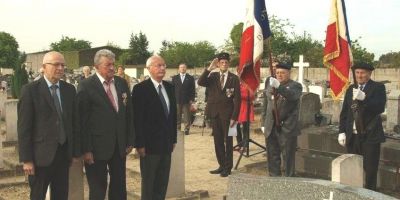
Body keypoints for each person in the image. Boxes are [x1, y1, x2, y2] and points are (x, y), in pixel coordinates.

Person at [17, 51, 79, 200]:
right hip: (40, 157)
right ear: (44, 67)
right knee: (38, 195)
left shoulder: (69, 90)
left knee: (61, 195)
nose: (60, 68)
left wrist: (75, 151)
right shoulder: (30, 90)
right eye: (56, 64)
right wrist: (27, 159)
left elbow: (73, 123)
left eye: (63, 65)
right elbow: (24, 128)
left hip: (63, 155)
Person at [76, 49, 134, 200]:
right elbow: (83, 121)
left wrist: (129, 139)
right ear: (96, 66)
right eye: (108, 65)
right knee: (98, 189)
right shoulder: (86, 86)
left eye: (113, 64)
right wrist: (86, 149)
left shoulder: (121, 83)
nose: (112, 68)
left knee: (119, 187)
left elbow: (128, 114)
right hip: (96, 148)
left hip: (119, 145)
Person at [132, 55, 177, 200]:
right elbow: (137, 119)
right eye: (158, 65)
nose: (162, 68)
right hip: (149, 147)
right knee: (149, 183)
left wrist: (173, 138)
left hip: (166, 144)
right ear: (148, 68)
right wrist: (139, 144)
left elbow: (173, 116)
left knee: (162, 182)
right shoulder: (140, 89)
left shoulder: (169, 87)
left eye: (164, 65)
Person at [338, 62, 386, 191]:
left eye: (363, 73)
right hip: (352, 136)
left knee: (370, 170)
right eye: (357, 72)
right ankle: (354, 193)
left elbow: (379, 107)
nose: (359, 75)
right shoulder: (350, 89)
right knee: (352, 167)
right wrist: (341, 131)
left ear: (369, 74)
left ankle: (370, 195)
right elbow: (345, 113)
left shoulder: (378, 87)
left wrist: (365, 99)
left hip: (370, 135)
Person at [197, 52, 241, 177]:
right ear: (218, 64)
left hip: (229, 116)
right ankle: (221, 165)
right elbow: (200, 82)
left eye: (226, 62)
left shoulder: (234, 78)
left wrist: (235, 117)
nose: (224, 64)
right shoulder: (213, 76)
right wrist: (209, 68)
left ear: (228, 64)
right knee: (218, 142)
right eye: (222, 62)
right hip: (214, 114)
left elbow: (237, 99)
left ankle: (228, 168)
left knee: (229, 141)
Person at [262, 62, 302, 177]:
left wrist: (279, 87)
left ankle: (288, 182)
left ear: (289, 73)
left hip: (287, 128)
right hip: (271, 126)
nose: (279, 75)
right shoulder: (270, 84)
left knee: (288, 158)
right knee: (272, 156)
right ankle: (274, 181)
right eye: (277, 72)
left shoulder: (296, 86)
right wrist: (264, 122)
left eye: (282, 73)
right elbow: (266, 104)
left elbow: (292, 96)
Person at [172, 63, 195, 135]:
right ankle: (177, 129)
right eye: (181, 67)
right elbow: (172, 89)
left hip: (187, 100)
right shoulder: (175, 78)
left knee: (187, 116)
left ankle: (186, 129)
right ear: (179, 69)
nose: (182, 68)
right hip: (177, 100)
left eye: (184, 67)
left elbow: (192, 90)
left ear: (186, 68)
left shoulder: (190, 78)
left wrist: (192, 99)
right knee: (177, 115)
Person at [234, 83, 255, 152]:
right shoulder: (236, 84)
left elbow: (252, 96)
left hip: (245, 107)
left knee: (245, 127)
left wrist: (238, 94)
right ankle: (239, 144)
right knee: (235, 126)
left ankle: (245, 146)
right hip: (236, 106)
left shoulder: (249, 85)